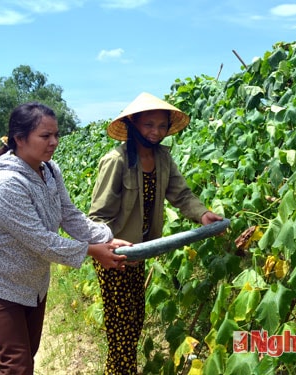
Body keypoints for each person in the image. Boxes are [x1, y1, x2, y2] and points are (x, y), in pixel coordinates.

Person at [0, 102, 129, 374]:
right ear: (19, 139)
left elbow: (69, 214)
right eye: (45, 136)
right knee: (16, 366)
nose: (54, 142)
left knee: (30, 352)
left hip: (33, 281)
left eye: (56, 135)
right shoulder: (4, 184)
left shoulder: (49, 169)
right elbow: (42, 241)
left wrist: (108, 238)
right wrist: (94, 251)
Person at [88, 92, 223, 374]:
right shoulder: (117, 161)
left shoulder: (163, 157)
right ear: (133, 124)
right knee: (121, 328)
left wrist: (203, 214)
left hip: (140, 252)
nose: (156, 132)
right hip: (115, 254)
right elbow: (97, 217)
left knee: (134, 321)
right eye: (149, 124)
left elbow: (181, 194)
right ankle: (120, 371)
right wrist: (109, 245)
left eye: (162, 126)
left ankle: (121, 370)